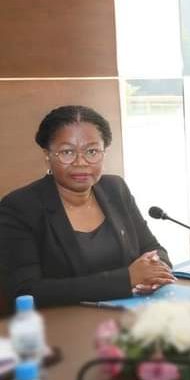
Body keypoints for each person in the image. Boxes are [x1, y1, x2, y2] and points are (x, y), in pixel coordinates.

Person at [0, 105, 175, 307]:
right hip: (64, 320)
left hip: (130, 312)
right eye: (67, 152)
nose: (81, 162)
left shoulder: (115, 188)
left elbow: (152, 248)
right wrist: (126, 279)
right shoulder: (20, 207)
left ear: (104, 152)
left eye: (92, 151)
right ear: (47, 155)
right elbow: (25, 290)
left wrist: (155, 270)